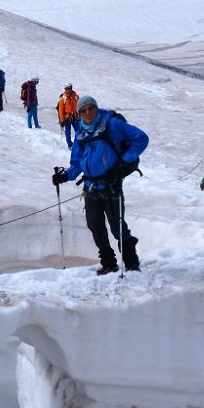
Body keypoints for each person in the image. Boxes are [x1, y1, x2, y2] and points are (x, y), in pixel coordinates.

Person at [52, 95, 149, 275]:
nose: (88, 112)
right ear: (79, 114)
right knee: (95, 225)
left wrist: (124, 160)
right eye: (83, 110)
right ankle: (108, 263)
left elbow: (141, 138)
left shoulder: (112, 124)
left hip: (111, 185)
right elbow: (77, 163)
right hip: (91, 188)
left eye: (91, 108)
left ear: (96, 108)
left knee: (117, 226)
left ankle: (131, 262)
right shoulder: (81, 133)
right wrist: (65, 176)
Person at [56, 83, 80, 149]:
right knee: (68, 132)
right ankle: (70, 145)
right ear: (65, 89)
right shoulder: (62, 99)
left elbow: (79, 105)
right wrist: (62, 121)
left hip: (75, 116)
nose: (69, 90)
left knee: (78, 130)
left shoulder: (75, 96)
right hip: (67, 118)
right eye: (67, 88)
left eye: (70, 88)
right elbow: (60, 111)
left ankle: (79, 143)